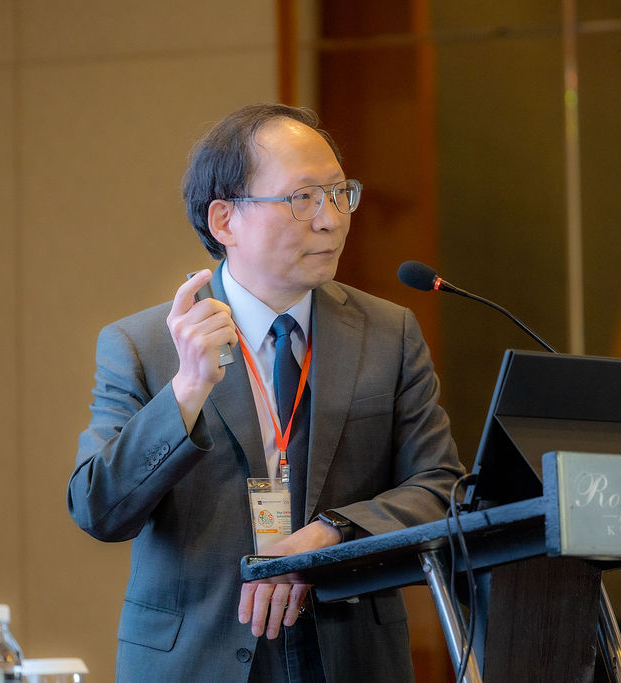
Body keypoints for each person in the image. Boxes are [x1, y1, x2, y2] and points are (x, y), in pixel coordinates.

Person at [68, 103, 464, 682]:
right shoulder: (142, 344)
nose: (331, 220)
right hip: (196, 660)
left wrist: (334, 534)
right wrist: (187, 390)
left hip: (350, 655)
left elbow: (442, 487)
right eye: (303, 198)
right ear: (225, 220)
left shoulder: (388, 333)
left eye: (339, 193)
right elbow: (98, 510)